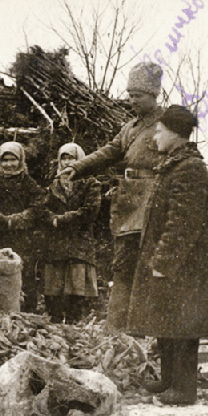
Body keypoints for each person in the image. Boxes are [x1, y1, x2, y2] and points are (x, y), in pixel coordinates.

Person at [58, 62, 167, 329]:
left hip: (153, 203)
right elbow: (109, 152)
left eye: (138, 96)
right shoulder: (129, 127)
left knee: (147, 268)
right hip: (128, 203)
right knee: (123, 266)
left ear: (154, 95)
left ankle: (145, 328)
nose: (132, 101)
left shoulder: (166, 125)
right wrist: (78, 167)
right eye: (130, 95)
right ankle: (117, 327)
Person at [127, 105, 208, 405]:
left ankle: (184, 390)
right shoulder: (174, 164)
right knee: (166, 321)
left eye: (159, 131)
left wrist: (163, 261)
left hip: (185, 267)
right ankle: (168, 380)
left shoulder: (190, 168)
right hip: (175, 264)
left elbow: (182, 223)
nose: (155, 135)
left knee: (183, 327)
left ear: (174, 134)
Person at [0, 141, 46, 312]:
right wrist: (2, 219)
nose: (8, 164)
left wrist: (17, 219)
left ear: (20, 160)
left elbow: (38, 206)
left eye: (13, 160)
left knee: (22, 272)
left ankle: (26, 312)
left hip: (20, 236)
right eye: (4, 160)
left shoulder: (28, 183)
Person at [43, 143, 101, 323]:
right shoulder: (53, 185)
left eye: (72, 158)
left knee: (76, 290)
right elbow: (42, 209)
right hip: (57, 244)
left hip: (79, 243)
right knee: (55, 291)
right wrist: (51, 218)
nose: (68, 162)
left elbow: (90, 211)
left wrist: (61, 220)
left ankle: (74, 329)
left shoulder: (91, 183)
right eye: (64, 157)